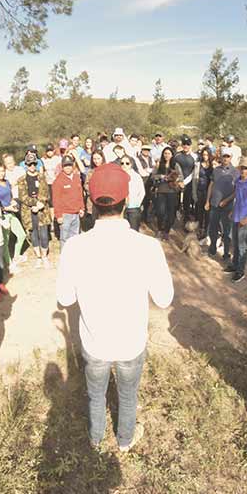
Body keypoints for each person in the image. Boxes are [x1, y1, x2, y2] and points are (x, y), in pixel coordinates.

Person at [56, 163, 174, 451]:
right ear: (126, 201)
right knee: (128, 395)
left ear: (92, 202)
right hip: (131, 342)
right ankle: (124, 441)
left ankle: (96, 440)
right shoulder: (147, 247)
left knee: (96, 396)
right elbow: (164, 299)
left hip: (95, 344)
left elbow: (65, 299)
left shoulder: (74, 247)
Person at [224, 157, 247, 283]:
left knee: (242, 245)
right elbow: (237, 196)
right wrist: (232, 210)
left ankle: (240, 271)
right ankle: (234, 265)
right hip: (236, 215)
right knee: (234, 242)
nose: (243, 170)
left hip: (245, 219)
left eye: (245, 168)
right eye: (241, 168)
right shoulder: (239, 180)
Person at [17, 153, 53, 268]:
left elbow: (46, 193)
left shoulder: (42, 177)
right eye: (29, 164)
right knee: (33, 234)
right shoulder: (21, 180)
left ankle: (44, 257)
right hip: (28, 210)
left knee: (44, 234)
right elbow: (22, 196)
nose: (32, 166)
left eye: (34, 164)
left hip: (42, 209)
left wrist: (40, 204)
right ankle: (38, 257)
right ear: (26, 165)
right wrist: (34, 203)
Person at [0, 162, 27, 268]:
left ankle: (16, 256)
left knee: (22, 235)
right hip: (3, 215)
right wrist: (6, 208)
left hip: (11, 213)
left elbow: (10, 196)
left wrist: (13, 202)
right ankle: (9, 263)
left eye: (3, 171)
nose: (1, 173)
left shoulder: (7, 182)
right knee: (5, 241)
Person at [205, 149, 237, 258]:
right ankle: (213, 247)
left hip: (227, 206)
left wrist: (226, 201)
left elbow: (236, 191)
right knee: (213, 228)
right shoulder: (216, 170)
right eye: (224, 156)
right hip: (214, 203)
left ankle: (226, 252)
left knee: (227, 230)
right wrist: (207, 201)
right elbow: (211, 185)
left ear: (231, 158)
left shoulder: (235, 172)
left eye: (228, 156)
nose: (225, 158)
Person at [152, 146, 184, 240]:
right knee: (160, 212)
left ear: (172, 155)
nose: (166, 155)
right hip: (161, 190)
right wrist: (161, 176)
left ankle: (166, 231)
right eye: (165, 153)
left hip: (172, 191)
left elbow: (181, 177)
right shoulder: (159, 164)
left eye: (168, 153)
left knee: (171, 212)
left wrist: (175, 178)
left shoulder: (176, 165)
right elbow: (153, 176)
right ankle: (159, 229)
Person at [52, 156, 85, 244]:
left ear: (73, 166)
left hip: (76, 213)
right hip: (65, 214)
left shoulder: (77, 177)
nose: (68, 167)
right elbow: (56, 200)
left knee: (75, 238)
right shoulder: (58, 181)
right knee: (65, 239)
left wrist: (81, 208)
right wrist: (58, 215)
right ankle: (64, 256)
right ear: (62, 167)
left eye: (69, 165)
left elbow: (80, 194)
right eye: (66, 166)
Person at [173, 135, 197, 219]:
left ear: (190, 145)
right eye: (184, 144)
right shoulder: (177, 156)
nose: (186, 146)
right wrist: (179, 181)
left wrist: (184, 182)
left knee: (187, 203)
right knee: (175, 203)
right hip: (177, 183)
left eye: (187, 144)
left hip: (189, 183)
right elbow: (174, 170)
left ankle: (186, 220)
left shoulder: (195, 157)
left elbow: (194, 171)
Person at [192, 147, 214, 240]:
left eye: (207, 154)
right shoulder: (198, 165)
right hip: (199, 190)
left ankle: (206, 231)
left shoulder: (213, 166)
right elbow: (194, 179)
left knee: (208, 213)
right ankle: (200, 229)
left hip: (209, 192)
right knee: (199, 211)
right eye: (204, 154)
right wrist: (194, 193)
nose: (205, 156)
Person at [121, 153, 145, 231]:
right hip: (121, 208)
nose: (124, 165)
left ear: (131, 164)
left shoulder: (136, 176)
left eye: (127, 163)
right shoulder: (118, 176)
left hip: (133, 207)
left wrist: (137, 203)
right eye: (122, 163)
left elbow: (142, 192)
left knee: (133, 231)